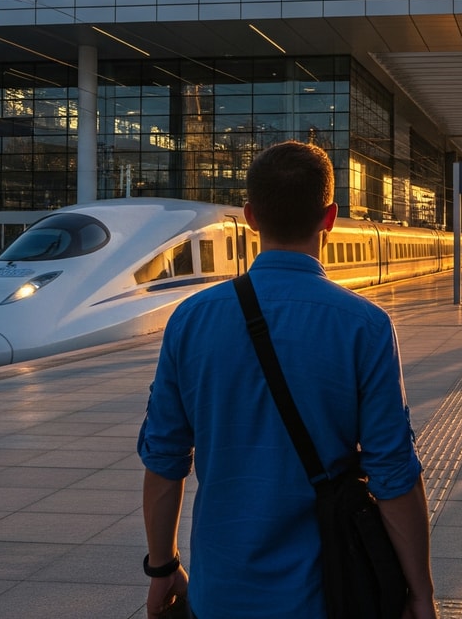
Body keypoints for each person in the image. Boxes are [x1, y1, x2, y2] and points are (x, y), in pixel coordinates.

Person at [138, 141, 436, 619]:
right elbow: (394, 474)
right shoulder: (366, 326)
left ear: (251, 216)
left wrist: (163, 568)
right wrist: (419, 592)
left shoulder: (189, 320)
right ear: (331, 217)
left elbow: (163, 462)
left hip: (221, 593)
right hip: (327, 593)